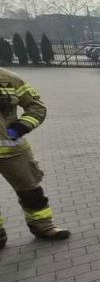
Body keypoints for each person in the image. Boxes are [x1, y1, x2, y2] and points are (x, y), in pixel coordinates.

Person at [0, 67, 71, 249]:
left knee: (31, 191)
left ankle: (44, 227)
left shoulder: (9, 78)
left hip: (12, 151)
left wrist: (20, 127)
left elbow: (36, 107)